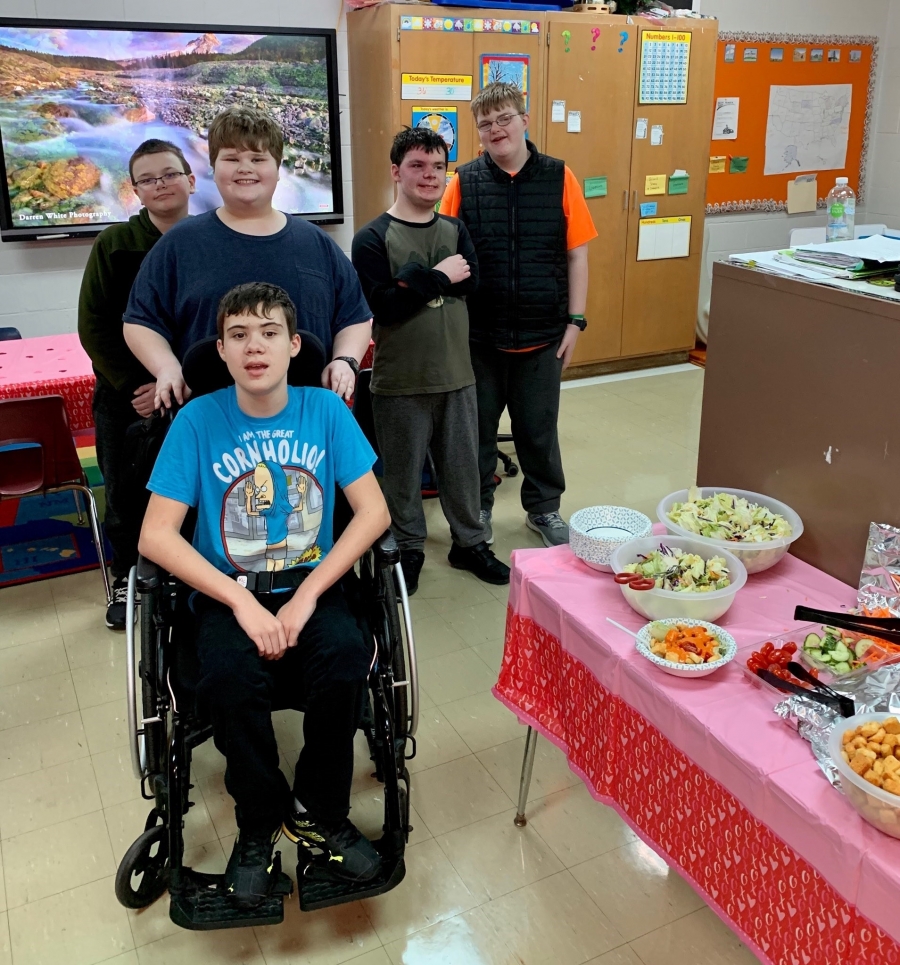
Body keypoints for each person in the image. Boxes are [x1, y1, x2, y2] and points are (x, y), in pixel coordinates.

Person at [139, 282, 390, 909]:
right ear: (220, 351)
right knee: (224, 676)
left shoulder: (326, 412)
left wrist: (307, 594)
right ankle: (258, 819)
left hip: (310, 584)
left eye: (269, 333)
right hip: (230, 595)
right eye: (239, 336)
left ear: (293, 344)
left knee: (344, 656)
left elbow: (373, 513)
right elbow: (156, 535)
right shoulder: (198, 421)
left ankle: (318, 811)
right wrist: (243, 603)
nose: (256, 347)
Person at [123, 106, 372, 411]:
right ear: (212, 168)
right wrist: (166, 368)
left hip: (308, 421)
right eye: (231, 159)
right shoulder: (179, 243)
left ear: (278, 169)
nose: (245, 168)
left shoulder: (317, 243)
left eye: (257, 159)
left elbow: (355, 316)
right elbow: (140, 322)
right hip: (210, 418)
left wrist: (345, 360)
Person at [351, 128, 509, 594]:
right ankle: (409, 547)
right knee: (401, 473)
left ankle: (470, 544)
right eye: (418, 166)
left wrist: (414, 283)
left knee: (463, 469)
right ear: (396, 172)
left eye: (438, 167)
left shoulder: (455, 229)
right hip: (400, 381)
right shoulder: (373, 237)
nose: (429, 175)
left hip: (457, 376)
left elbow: (471, 283)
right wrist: (436, 276)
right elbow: (384, 306)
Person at [441, 82, 598, 547]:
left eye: (504, 118)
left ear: (524, 120)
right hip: (479, 337)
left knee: (538, 431)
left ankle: (544, 509)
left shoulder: (559, 177)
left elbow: (577, 256)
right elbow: (443, 250)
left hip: (543, 335)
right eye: (485, 123)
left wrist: (576, 322)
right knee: (477, 434)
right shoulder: (463, 182)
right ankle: (480, 508)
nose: (496, 129)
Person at [78, 138, 195, 629]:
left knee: (190, 492)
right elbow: (95, 326)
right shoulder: (115, 245)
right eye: (148, 179)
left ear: (191, 180)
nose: (160, 185)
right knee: (126, 495)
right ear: (135, 191)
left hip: (193, 396)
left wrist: (184, 381)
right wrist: (138, 386)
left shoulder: (209, 239)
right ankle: (127, 579)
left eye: (169, 174)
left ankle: (188, 576)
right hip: (126, 400)